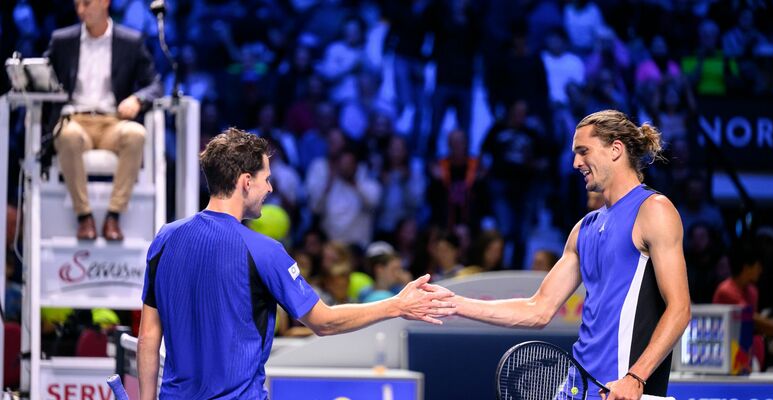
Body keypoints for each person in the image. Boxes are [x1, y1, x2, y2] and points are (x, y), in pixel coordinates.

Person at [137, 128, 454, 400]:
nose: (271, 189)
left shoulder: (164, 238)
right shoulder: (263, 250)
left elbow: (149, 334)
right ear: (246, 181)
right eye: (266, 179)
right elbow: (324, 321)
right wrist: (396, 306)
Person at [437, 110, 691, 399]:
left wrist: (636, 377)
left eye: (583, 151)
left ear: (616, 149)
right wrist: (452, 304)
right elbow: (538, 308)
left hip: (623, 391)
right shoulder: (583, 229)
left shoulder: (654, 210)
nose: (575, 163)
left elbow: (680, 309)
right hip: (575, 389)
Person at [45, 0, 162, 241]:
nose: (80, 10)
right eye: (77, 4)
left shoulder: (130, 41)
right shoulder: (62, 40)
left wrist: (138, 99)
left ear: (105, 2)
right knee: (66, 135)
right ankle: (84, 216)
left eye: (86, 4)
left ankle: (114, 215)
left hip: (113, 121)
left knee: (136, 134)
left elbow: (156, 84)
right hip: (75, 119)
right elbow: (43, 76)